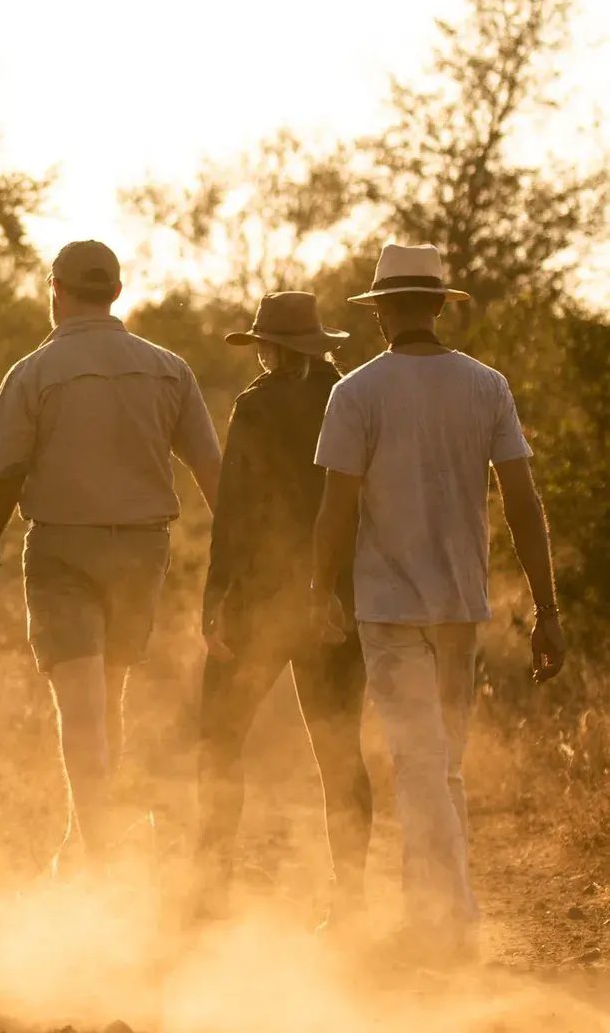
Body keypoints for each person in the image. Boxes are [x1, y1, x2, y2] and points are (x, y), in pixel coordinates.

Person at [310, 242, 566, 963]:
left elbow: (335, 509)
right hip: (461, 603)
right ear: (436, 307)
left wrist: (314, 590)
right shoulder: (485, 386)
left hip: (387, 606)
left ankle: (445, 921)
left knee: (421, 764)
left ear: (383, 311)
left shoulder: (355, 391)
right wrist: (546, 611)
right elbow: (522, 501)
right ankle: (440, 914)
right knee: (438, 764)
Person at [0, 239, 221, 868]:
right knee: (108, 697)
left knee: (82, 709)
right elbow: (210, 468)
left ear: (56, 291)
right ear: (117, 293)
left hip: (62, 551)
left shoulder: (33, 372)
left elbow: (1, 481)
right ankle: (87, 840)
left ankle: (96, 853)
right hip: (142, 551)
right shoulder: (168, 368)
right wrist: (236, 560)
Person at [195, 292, 372, 923]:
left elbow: (238, 509)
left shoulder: (257, 404)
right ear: (319, 346)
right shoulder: (353, 396)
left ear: (273, 348)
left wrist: (216, 593)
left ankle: (209, 889)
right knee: (338, 749)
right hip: (336, 600)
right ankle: (349, 898)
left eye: (264, 346)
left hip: (263, 599)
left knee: (219, 737)